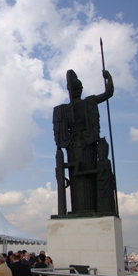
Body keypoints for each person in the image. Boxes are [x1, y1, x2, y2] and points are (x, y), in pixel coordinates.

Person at [53, 69, 115, 215]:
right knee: (83, 178)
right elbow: (109, 93)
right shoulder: (88, 103)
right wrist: (108, 78)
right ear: (80, 90)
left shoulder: (63, 110)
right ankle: (86, 209)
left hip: (75, 146)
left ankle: (87, 209)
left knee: (84, 177)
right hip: (85, 144)